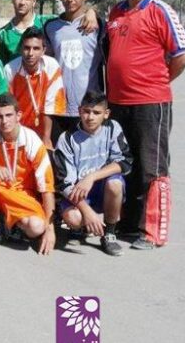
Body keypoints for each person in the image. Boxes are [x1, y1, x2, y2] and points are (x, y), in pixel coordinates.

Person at [105, 0, 185, 248]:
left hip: (151, 102)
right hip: (118, 103)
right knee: (125, 164)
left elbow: (182, 55)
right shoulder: (116, 11)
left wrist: (159, 81)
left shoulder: (160, 10)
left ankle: (152, 232)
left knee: (152, 167)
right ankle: (129, 223)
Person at [0, 94, 56, 255]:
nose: (4, 121)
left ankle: (7, 223)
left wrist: (50, 229)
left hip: (20, 194)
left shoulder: (32, 140)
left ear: (18, 116)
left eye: (9, 115)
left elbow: (47, 186)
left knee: (36, 227)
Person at [54, 91, 133, 256]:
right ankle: (80, 228)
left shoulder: (112, 128)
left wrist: (91, 177)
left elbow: (125, 162)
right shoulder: (67, 138)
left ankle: (109, 233)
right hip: (79, 192)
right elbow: (63, 183)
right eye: (86, 111)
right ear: (79, 111)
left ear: (106, 114)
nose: (90, 117)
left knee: (115, 184)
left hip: (102, 187)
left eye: (96, 113)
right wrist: (87, 212)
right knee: (73, 218)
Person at [44, 0, 106, 142]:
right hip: (59, 108)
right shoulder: (51, 27)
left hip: (89, 108)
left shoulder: (98, 26)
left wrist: (92, 12)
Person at [3, 27, 66, 148]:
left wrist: (46, 138)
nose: (30, 53)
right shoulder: (9, 69)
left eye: (36, 48)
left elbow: (50, 104)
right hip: (19, 127)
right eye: (27, 48)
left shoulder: (52, 66)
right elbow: (8, 105)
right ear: (20, 49)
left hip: (46, 126)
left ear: (43, 50)